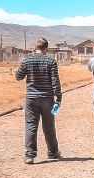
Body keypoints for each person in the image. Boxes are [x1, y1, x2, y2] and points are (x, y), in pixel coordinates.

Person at [15, 36, 62, 164]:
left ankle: (30, 155)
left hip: (31, 98)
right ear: (46, 48)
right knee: (49, 125)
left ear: (35, 48)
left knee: (31, 125)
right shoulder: (51, 61)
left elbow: (18, 76)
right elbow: (55, 81)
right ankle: (53, 152)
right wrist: (59, 97)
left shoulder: (27, 60)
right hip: (48, 99)